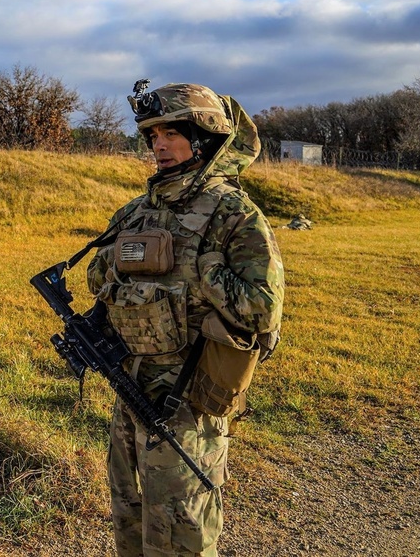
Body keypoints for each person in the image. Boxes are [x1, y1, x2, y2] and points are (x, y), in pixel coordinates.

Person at [86, 81, 284, 556]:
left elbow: (262, 310)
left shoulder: (234, 214)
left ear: (205, 137)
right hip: (130, 384)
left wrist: (203, 268)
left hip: (189, 397)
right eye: (152, 136)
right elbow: (97, 277)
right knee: (129, 514)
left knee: (184, 527)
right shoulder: (137, 211)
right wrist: (119, 263)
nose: (158, 146)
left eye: (171, 134)